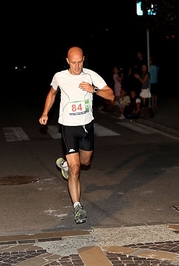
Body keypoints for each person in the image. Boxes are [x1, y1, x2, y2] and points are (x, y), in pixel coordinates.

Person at [38, 46, 114, 224]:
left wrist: (93, 89)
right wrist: (45, 113)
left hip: (86, 126)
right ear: (67, 61)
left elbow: (110, 95)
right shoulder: (60, 76)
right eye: (73, 62)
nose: (77, 66)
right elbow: (52, 93)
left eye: (80, 61)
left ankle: (65, 164)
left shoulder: (90, 75)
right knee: (76, 169)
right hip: (68, 127)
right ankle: (78, 206)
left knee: (85, 162)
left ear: (83, 59)